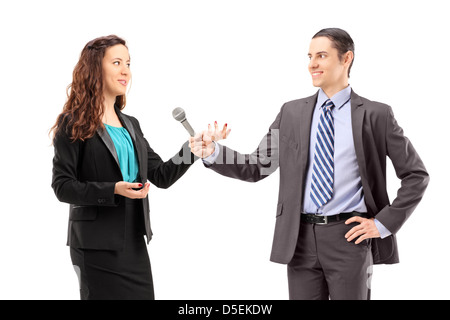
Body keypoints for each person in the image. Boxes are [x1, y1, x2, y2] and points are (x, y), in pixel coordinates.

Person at [190, 28, 429, 300]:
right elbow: (258, 165)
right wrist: (212, 153)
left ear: (346, 58)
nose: (312, 64)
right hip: (299, 239)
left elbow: (416, 176)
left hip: (349, 237)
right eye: (309, 56)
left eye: (322, 55)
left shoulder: (377, 114)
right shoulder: (292, 112)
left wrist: (383, 223)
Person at [50, 35, 197, 300]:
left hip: (134, 241)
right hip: (95, 245)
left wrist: (192, 150)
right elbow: (63, 187)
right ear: (96, 68)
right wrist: (113, 189)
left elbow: (161, 176)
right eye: (116, 62)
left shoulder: (132, 124)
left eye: (128, 63)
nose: (125, 70)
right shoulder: (72, 123)